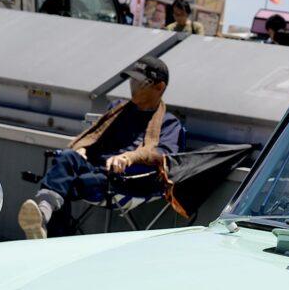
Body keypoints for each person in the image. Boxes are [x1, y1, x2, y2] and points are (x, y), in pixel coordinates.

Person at [18, 57, 182, 240]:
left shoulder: (168, 123)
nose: (132, 86)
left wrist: (130, 157)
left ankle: (49, 231)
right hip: (97, 169)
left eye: (140, 82)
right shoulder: (118, 109)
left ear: (159, 87)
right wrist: (83, 149)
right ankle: (42, 215)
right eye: (131, 80)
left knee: (65, 181)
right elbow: (96, 138)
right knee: (67, 157)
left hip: (128, 180)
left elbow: (164, 155)